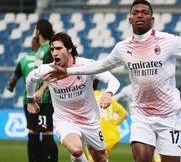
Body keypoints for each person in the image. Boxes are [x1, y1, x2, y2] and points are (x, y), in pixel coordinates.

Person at [43, 0, 181, 162]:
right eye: (136, 11)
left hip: (169, 116)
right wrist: (69, 72)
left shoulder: (169, 41)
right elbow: (99, 65)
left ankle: (180, 148)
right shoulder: (123, 48)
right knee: (141, 157)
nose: (140, 14)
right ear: (129, 18)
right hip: (141, 114)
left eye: (144, 11)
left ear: (152, 18)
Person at [26, 32, 120, 162]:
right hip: (65, 120)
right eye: (52, 49)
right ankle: (78, 157)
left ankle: (77, 159)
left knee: (101, 159)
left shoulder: (86, 65)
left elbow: (113, 80)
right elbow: (30, 79)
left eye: (59, 48)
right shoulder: (47, 69)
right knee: (77, 150)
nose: (54, 53)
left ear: (69, 49)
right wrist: (31, 100)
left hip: (90, 120)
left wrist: (108, 93)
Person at [7, 35, 58, 162]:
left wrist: (11, 87)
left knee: (33, 131)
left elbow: (12, 81)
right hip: (44, 99)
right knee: (47, 132)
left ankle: (34, 159)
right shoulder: (44, 57)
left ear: (32, 44)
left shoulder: (23, 59)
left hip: (28, 100)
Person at [83, 79, 128, 162]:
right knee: (101, 159)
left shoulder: (85, 99)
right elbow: (124, 113)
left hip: (101, 136)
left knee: (93, 159)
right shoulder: (105, 97)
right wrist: (113, 123)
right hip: (111, 135)